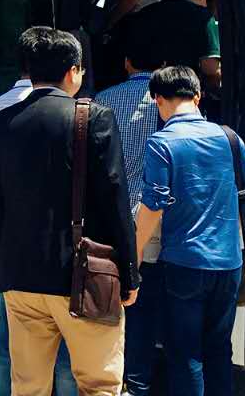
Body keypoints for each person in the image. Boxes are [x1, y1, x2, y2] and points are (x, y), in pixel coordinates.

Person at [0, 27, 139, 396]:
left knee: (28, 386)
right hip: (83, 278)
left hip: (20, 278)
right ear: (73, 72)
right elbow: (114, 200)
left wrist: (3, 270)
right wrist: (129, 273)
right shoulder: (93, 118)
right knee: (98, 384)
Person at [135, 66, 245, 396]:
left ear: (157, 100)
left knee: (185, 354)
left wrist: (133, 254)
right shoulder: (229, 137)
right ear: (197, 96)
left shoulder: (161, 143)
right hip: (229, 263)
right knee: (219, 349)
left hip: (184, 264)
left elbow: (153, 205)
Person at [0, 27, 77, 396]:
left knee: (8, 345)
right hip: (64, 254)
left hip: (14, 252)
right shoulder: (78, 114)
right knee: (66, 351)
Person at [93, 37, 165, 396]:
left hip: (109, 215)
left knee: (107, 299)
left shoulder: (103, 99)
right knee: (144, 303)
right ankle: (137, 380)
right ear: (163, 65)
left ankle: (109, 373)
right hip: (150, 217)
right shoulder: (165, 103)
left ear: (126, 62)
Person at [128, 0, 220, 87]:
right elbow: (210, 69)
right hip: (185, 91)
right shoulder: (205, 18)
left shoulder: (143, 14)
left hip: (145, 88)